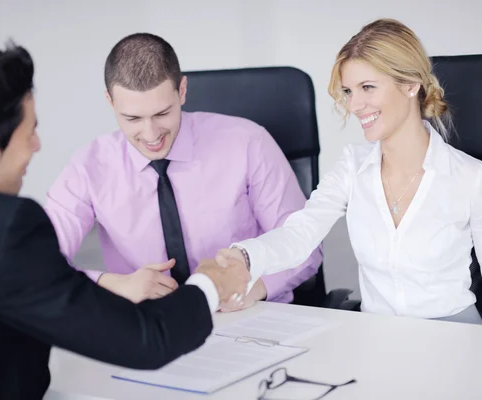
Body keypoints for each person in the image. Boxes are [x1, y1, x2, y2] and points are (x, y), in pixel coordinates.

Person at [0, 43, 250, 400]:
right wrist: (209, 284)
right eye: (30, 132)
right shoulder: (8, 228)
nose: (37, 145)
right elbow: (148, 341)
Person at [217, 18, 482, 324]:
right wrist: (245, 257)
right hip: (376, 336)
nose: (355, 105)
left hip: (454, 337)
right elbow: (300, 233)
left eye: (367, 87)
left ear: (411, 84)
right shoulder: (352, 166)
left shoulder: (470, 178)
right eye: (348, 91)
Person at [45, 33, 322, 311]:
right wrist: (114, 285)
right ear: (110, 102)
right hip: (147, 325)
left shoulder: (249, 143)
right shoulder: (88, 168)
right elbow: (35, 262)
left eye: (162, 113)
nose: (151, 134)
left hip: (250, 316)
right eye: (133, 119)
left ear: (182, 91)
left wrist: (250, 289)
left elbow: (305, 247)